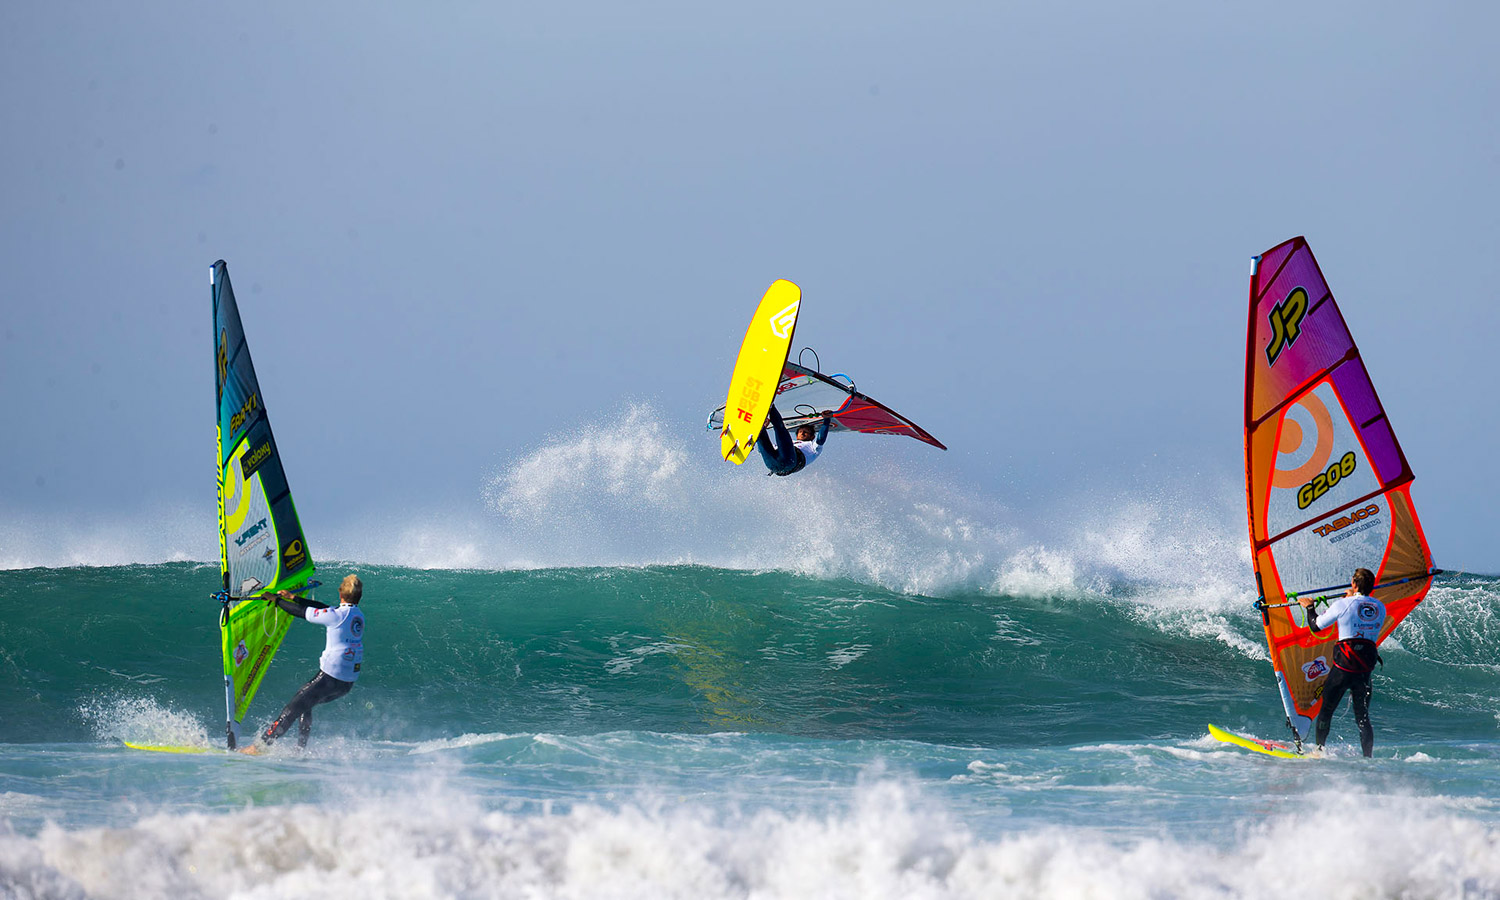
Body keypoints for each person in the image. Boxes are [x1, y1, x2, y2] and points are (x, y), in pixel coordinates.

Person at [256, 573, 365, 749]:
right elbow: (324, 608)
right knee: (306, 703)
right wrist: (294, 598)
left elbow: (301, 613)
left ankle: (259, 747)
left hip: (330, 677)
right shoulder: (357, 615)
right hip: (347, 682)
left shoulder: (336, 616)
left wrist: (276, 600)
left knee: (291, 710)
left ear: (340, 594)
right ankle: (300, 749)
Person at [1299, 567, 1385, 757]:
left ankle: (1319, 751)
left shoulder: (1342, 604)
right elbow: (1360, 615)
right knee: (1363, 718)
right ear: (1372, 586)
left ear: (1353, 584)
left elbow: (1316, 626)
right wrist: (1350, 598)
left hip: (1342, 671)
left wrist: (1310, 607)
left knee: (1326, 712)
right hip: (1364, 673)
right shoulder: (1380, 607)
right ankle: (1368, 758)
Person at [757, 406, 832, 476]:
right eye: (800, 431)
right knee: (760, 433)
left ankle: (771, 406)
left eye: (805, 432)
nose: (802, 433)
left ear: (812, 437)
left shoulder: (813, 446)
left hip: (789, 463)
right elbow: (762, 449)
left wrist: (826, 420)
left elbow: (821, 439)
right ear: (797, 435)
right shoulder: (791, 442)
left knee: (780, 428)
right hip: (774, 464)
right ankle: (760, 425)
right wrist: (764, 428)